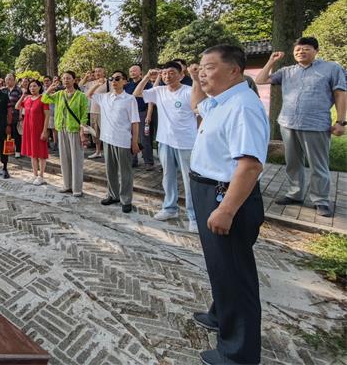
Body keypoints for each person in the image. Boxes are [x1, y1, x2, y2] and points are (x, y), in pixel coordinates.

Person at [187, 45, 269, 365]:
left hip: (225, 196)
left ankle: (238, 354)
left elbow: (250, 165)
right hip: (208, 190)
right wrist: (196, 78)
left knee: (235, 273)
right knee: (220, 265)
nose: (202, 72)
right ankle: (221, 314)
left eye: (209, 67)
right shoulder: (221, 101)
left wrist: (226, 210)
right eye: (200, 67)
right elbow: (197, 105)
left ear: (234, 71)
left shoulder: (243, 106)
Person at [254, 37, 346, 217]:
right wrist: (271, 61)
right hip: (288, 124)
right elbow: (260, 79)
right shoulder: (287, 71)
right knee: (293, 162)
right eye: (297, 50)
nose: (301, 52)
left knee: (318, 165)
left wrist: (341, 121)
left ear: (316, 50)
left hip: (316, 124)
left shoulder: (331, 69)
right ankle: (295, 194)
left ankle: (321, 200)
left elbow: (340, 94)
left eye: (306, 48)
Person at [133, 62, 198, 232]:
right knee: (168, 177)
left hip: (186, 143)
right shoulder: (159, 91)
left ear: (181, 75)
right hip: (164, 141)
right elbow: (137, 93)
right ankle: (170, 208)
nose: (167, 76)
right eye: (164, 73)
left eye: (172, 73)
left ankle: (194, 216)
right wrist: (147, 76)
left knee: (189, 180)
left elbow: (200, 112)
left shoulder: (189, 91)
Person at [88, 71, 140, 213]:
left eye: (117, 78)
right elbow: (89, 95)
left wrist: (134, 141)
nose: (114, 81)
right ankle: (113, 195)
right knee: (110, 170)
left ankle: (126, 199)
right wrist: (97, 84)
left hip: (123, 139)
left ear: (125, 81)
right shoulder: (105, 97)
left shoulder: (129, 99)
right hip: (107, 138)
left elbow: (135, 122)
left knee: (125, 172)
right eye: (112, 79)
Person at [42, 71, 89, 196]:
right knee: (64, 159)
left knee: (76, 160)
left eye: (68, 78)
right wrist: (50, 88)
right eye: (63, 78)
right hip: (62, 129)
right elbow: (44, 99)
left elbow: (84, 116)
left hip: (74, 130)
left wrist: (82, 132)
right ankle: (67, 185)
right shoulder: (59, 94)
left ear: (74, 80)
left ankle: (77, 188)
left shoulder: (81, 96)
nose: (65, 80)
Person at [15, 79, 50, 185]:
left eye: (34, 86)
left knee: (41, 153)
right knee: (32, 153)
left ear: (39, 87)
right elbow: (17, 106)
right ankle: (35, 174)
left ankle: (41, 176)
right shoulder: (27, 99)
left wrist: (45, 131)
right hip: (28, 130)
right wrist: (23, 95)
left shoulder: (43, 99)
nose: (32, 88)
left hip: (39, 129)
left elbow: (47, 116)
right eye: (30, 86)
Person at [125, 64, 155, 170]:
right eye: (131, 71)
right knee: (131, 137)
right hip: (129, 114)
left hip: (142, 112)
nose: (132, 72)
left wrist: (148, 115)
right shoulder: (127, 85)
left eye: (135, 70)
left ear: (140, 72)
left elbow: (151, 101)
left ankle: (148, 161)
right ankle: (133, 160)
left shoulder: (146, 84)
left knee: (144, 138)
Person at [82, 66, 109, 159]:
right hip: (93, 111)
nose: (97, 73)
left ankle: (108, 152)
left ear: (104, 72)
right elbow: (80, 86)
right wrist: (86, 77)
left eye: (99, 71)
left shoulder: (108, 83)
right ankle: (98, 152)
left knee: (106, 133)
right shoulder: (92, 83)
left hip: (105, 112)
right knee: (95, 133)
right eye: (96, 71)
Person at [3, 73, 23, 158]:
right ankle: (9, 149)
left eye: (10, 79)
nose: (8, 81)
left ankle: (18, 151)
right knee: (8, 133)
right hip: (6, 116)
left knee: (16, 134)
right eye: (7, 79)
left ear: (14, 80)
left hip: (15, 115)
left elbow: (22, 103)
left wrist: (20, 115)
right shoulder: (3, 90)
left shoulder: (18, 90)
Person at [43, 76, 58, 152]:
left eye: (47, 80)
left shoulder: (55, 89)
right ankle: (46, 143)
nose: (46, 82)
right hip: (45, 112)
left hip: (53, 111)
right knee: (47, 128)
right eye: (45, 81)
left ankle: (55, 144)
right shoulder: (42, 90)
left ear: (50, 81)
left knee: (54, 129)